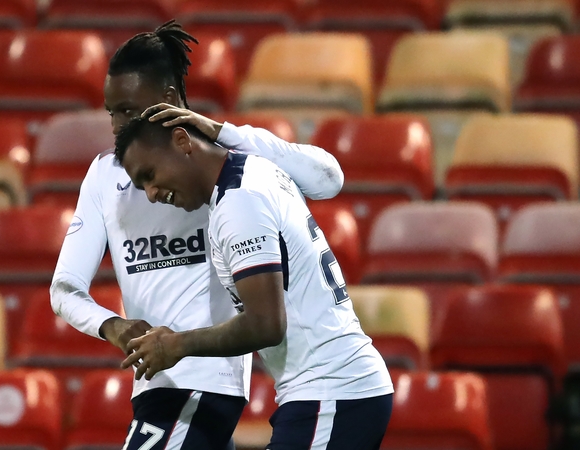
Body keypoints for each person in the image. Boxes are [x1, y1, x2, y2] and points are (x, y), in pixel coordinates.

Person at [50, 21, 344, 450]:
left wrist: (222, 131)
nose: (116, 125)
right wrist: (112, 326)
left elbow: (328, 178)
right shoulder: (103, 176)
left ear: (169, 101)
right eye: (111, 112)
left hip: (207, 379)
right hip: (153, 382)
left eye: (128, 111)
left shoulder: (223, 163)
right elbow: (64, 289)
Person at [114, 112, 394, 450]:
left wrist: (175, 345)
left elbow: (266, 324)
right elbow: (327, 177)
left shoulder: (239, 203)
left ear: (182, 141)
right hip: (336, 390)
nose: (151, 194)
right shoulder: (256, 169)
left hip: (331, 391)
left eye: (150, 175)